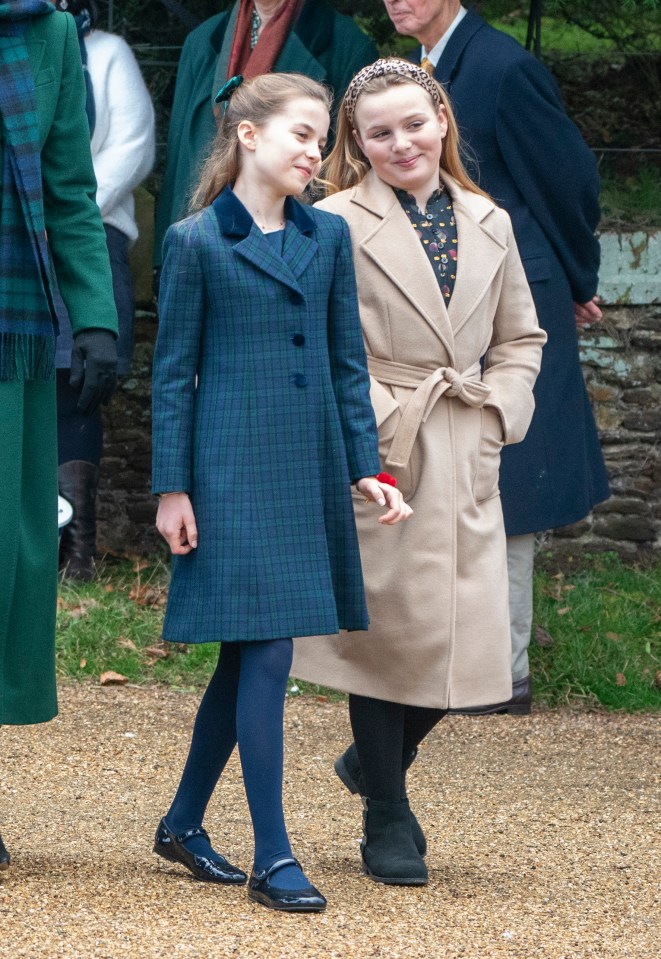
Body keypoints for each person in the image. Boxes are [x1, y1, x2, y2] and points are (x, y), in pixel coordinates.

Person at [151, 72, 411, 912]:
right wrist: (172, 489)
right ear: (248, 135)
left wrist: (365, 465)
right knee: (265, 650)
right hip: (228, 472)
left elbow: (346, 361)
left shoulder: (326, 238)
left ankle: (184, 822)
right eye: (302, 134)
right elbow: (171, 378)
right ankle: (274, 853)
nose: (315, 151)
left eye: (319, 137)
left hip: (303, 469)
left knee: (247, 655)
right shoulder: (195, 240)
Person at [291, 58, 546, 885]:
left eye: (413, 122)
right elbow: (322, 344)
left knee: (471, 639)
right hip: (384, 446)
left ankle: (373, 764)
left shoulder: (490, 219)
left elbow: (519, 339)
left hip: (465, 442)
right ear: (356, 145)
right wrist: (376, 419)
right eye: (379, 132)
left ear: (442, 118)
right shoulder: (329, 220)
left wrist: (499, 412)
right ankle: (386, 812)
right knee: (388, 637)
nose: (401, 142)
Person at [382, 0, 609, 713]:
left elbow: (567, 181)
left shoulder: (503, 67)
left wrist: (575, 278)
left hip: (508, 297)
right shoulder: (413, 70)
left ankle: (502, 675)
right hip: (435, 300)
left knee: (506, 476)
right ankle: (447, 664)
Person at [0, 0, 118, 868]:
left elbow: (71, 184)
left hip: (12, 335)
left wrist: (95, 317)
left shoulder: (46, 33)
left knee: (9, 556)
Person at [154, 0, 378, 268]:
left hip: (299, 250)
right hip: (204, 243)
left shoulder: (347, 45)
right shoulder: (201, 41)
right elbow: (179, 157)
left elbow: (349, 166)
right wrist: (163, 260)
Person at [51, 0, 155, 580]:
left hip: (91, 236)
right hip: (15, 241)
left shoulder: (107, 54)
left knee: (78, 381)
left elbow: (133, 146)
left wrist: (69, 214)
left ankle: (77, 551)